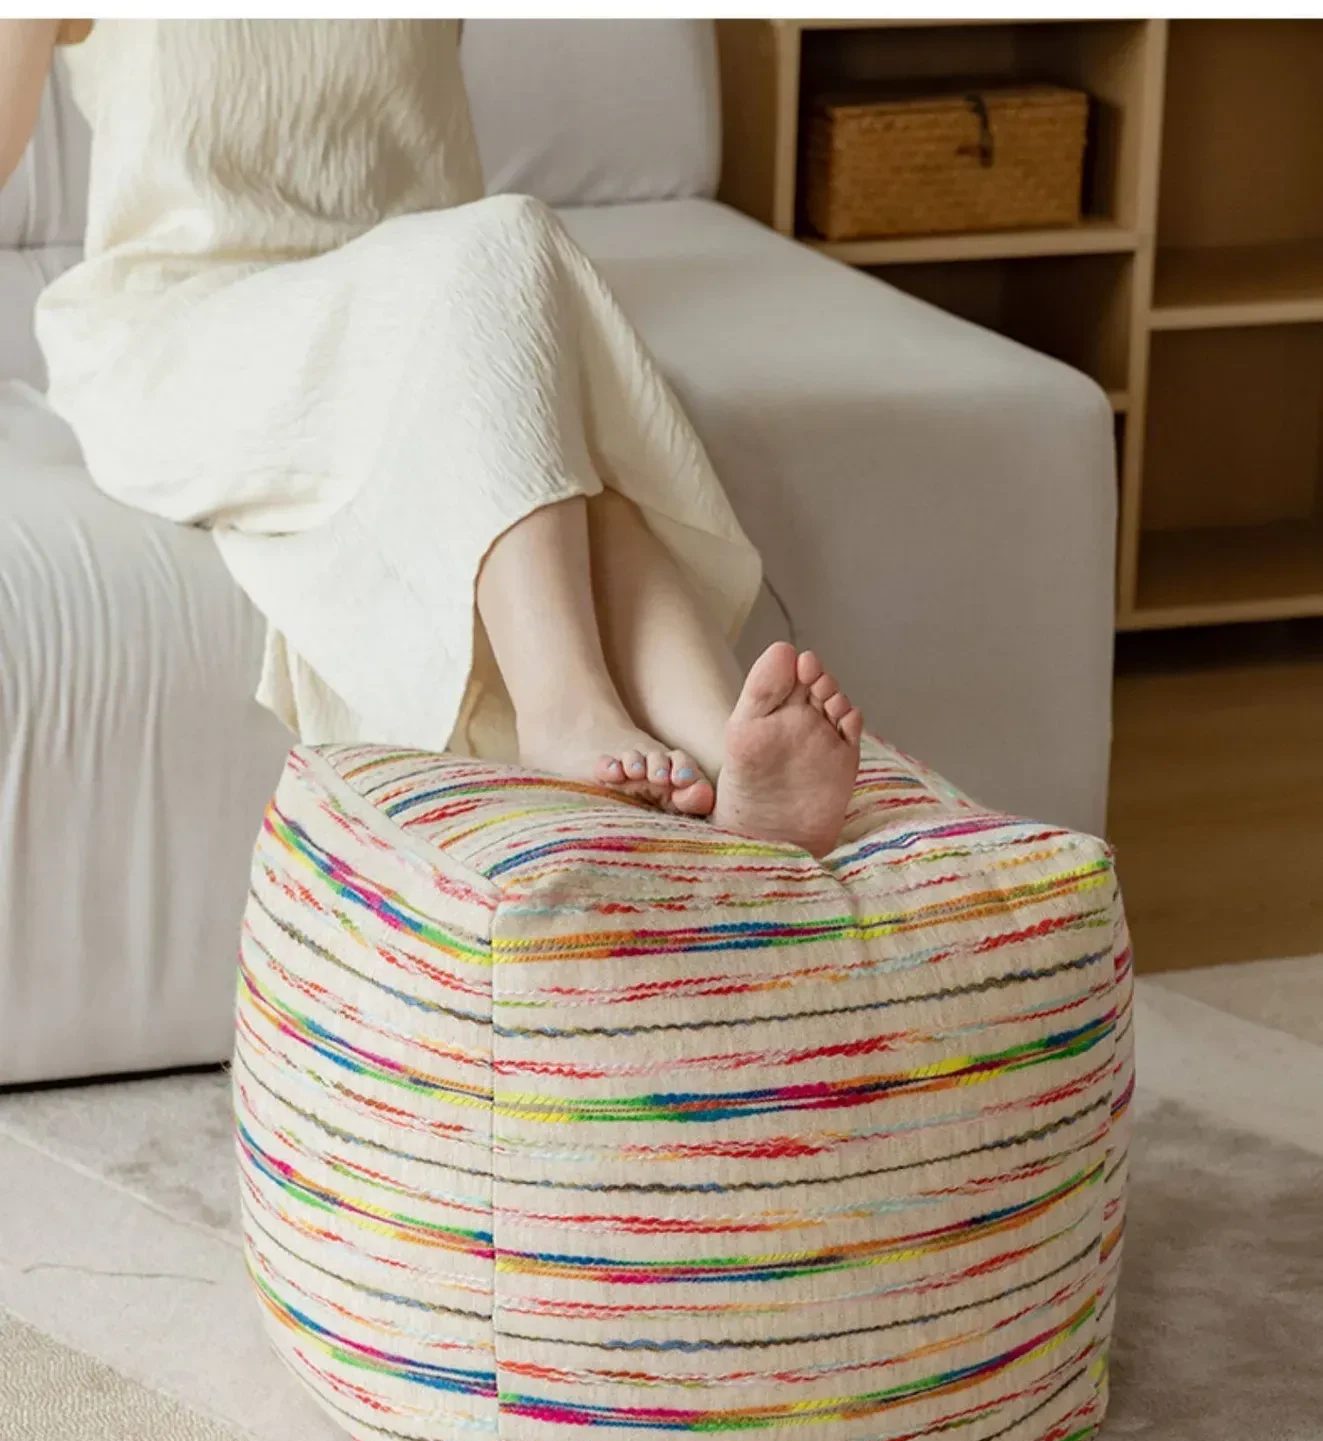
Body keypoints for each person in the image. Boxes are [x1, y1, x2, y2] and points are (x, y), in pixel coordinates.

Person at [2, 19, 864, 857]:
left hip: (434, 320)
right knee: (503, 248)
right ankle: (564, 711)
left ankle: (734, 755)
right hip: (185, 330)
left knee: (552, 454)